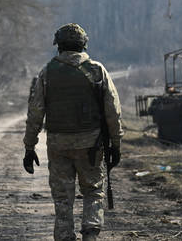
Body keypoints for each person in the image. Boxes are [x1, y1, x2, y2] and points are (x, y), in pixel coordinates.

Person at [22, 23, 123, 241]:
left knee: (62, 197)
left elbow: (35, 112)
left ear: (58, 46)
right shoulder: (97, 70)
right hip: (91, 145)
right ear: (83, 45)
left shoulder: (47, 72)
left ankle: (64, 237)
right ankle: (91, 234)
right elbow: (112, 111)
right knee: (93, 190)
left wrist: (29, 147)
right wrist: (116, 143)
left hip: (59, 145)